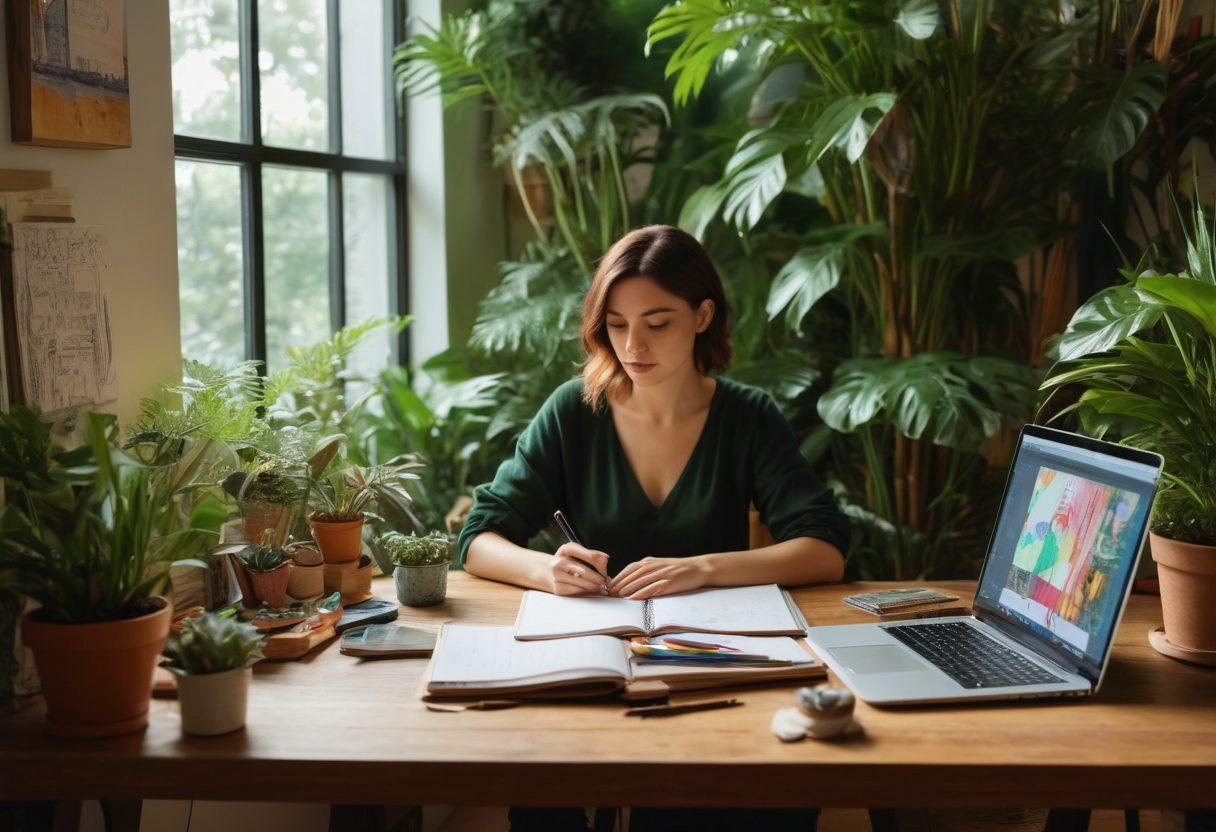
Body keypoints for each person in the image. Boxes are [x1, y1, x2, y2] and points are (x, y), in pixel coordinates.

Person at [458, 225, 850, 832]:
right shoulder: (573, 411)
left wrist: (704, 568)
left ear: (703, 316)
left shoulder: (747, 417)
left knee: (760, 793)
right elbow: (478, 538)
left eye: (657, 322)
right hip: (589, 663)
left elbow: (823, 549)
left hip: (705, 665)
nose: (632, 345)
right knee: (539, 795)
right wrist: (548, 570)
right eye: (616, 324)